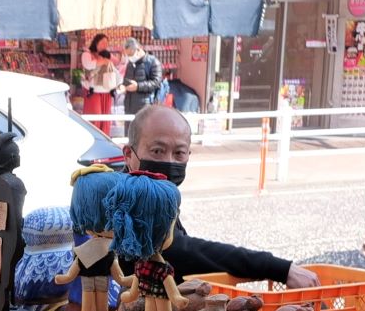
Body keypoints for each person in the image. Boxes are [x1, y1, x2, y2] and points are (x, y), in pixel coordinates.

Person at [123, 106, 321, 288]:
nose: (169, 161)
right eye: (157, 151)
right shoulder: (128, 198)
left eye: (179, 153)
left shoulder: (156, 194)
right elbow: (180, 249)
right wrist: (277, 268)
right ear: (128, 156)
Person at [118, 37, 162, 117]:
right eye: (127, 55)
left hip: (144, 106)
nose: (129, 57)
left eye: (130, 55)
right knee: (129, 129)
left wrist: (138, 86)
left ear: (138, 49)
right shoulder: (130, 63)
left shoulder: (152, 62)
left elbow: (156, 83)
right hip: (129, 106)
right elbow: (126, 80)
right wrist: (123, 86)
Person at [81, 34, 120, 122]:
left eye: (106, 43)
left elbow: (118, 62)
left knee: (105, 120)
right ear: (96, 43)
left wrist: (123, 55)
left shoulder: (107, 54)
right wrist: (103, 61)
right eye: (102, 43)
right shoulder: (87, 54)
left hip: (107, 91)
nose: (105, 45)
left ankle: (104, 135)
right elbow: (88, 64)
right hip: (93, 92)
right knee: (95, 119)